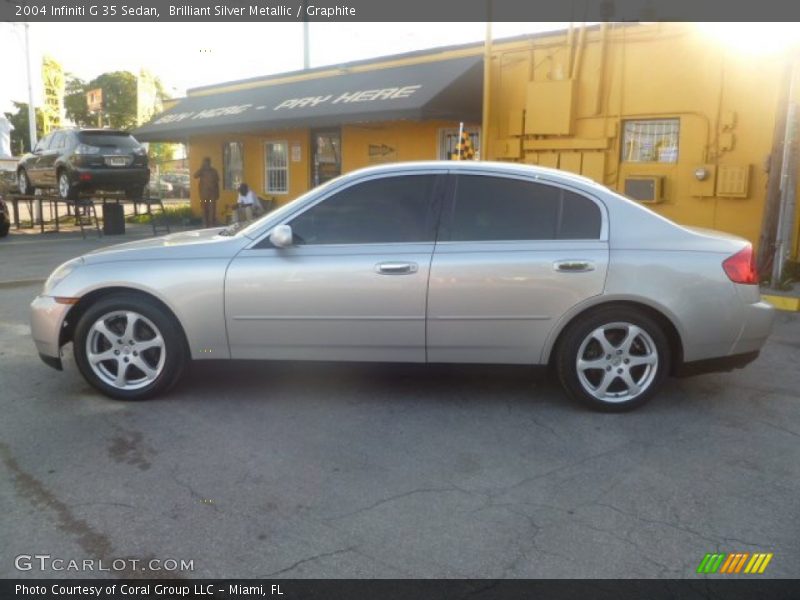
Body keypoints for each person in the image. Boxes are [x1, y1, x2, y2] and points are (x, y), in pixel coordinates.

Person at [193, 157, 220, 227]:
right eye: (205, 162)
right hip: (204, 195)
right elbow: (195, 176)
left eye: (207, 162)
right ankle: (205, 223)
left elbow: (217, 182)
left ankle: (211, 223)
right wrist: (201, 169)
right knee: (204, 208)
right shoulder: (201, 171)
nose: (206, 164)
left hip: (212, 194)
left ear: (210, 163)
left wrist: (217, 193)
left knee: (212, 208)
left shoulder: (214, 171)